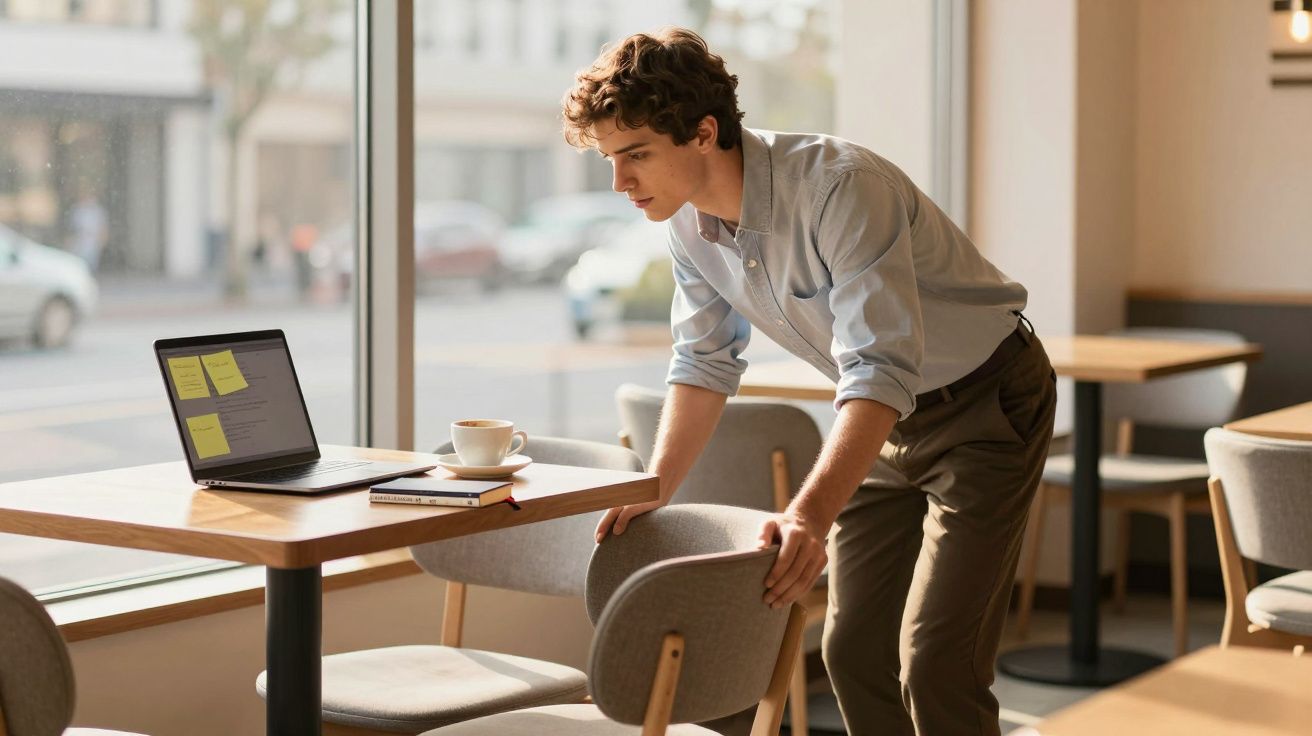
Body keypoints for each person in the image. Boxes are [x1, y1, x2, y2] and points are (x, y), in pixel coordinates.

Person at [564, 28, 1057, 736]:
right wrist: (656, 488)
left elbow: (878, 365)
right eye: (611, 158)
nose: (620, 182)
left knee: (937, 660)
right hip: (885, 422)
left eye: (636, 154)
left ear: (703, 133)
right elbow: (704, 363)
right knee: (851, 649)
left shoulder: (839, 187)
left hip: (985, 402)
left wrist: (807, 516)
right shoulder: (686, 229)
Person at [68, 188, 108, 272]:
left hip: (92, 241)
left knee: (91, 262)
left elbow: (102, 226)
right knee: (79, 262)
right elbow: (73, 228)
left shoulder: (97, 211)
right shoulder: (77, 210)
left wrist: (102, 239)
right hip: (80, 241)